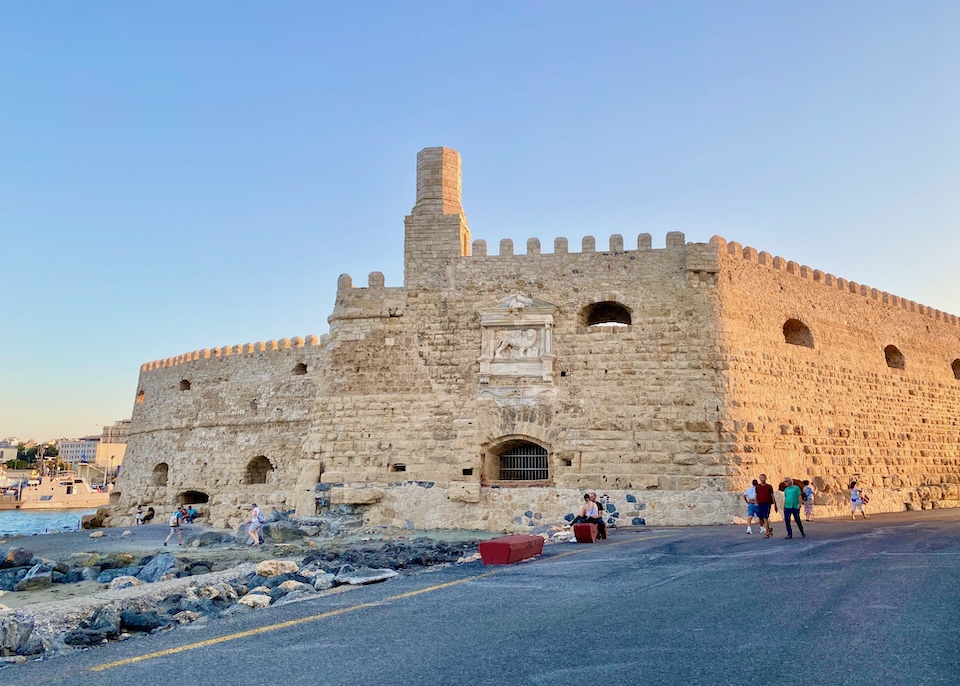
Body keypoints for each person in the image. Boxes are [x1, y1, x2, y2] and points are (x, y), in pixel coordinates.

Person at [754, 474, 778, 539]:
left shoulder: (769, 487)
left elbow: (772, 495)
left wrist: (775, 505)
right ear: (759, 479)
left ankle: (767, 533)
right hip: (760, 504)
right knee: (760, 518)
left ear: (766, 478)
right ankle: (769, 529)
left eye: (764, 478)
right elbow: (756, 494)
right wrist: (755, 502)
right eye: (761, 478)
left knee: (765, 517)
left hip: (767, 504)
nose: (762, 479)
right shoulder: (757, 486)